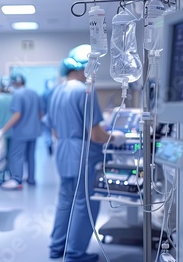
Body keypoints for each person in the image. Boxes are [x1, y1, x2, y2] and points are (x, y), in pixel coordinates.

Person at [47, 54, 126, 262]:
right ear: (84, 68)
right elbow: (96, 135)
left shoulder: (55, 92)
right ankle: (74, 253)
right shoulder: (85, 91)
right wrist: (116, 138)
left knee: (65, 199)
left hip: (62, 151)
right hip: (83, 154)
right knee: (85, 202)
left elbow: (54, 131)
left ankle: (58, 247)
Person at [0, 73, 43, 189]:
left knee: (16, 156)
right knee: (31, 156)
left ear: (13, 83)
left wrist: (4, 129)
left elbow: (17, 114)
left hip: (21, 132)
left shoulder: (17, 94)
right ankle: (31, 179)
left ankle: (17, 180)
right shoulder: (34, 93)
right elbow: (41, 113)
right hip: (34, 131)